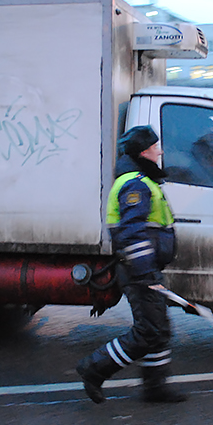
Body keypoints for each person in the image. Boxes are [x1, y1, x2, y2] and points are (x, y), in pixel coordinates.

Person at [75, 126, 188, 404]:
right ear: (143, 152)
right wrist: (146, 272)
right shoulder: (135, 184)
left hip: (145, 269)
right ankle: (94, 368)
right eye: (155, 148)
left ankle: (155, 387)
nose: (160, 151)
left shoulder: (143, 180)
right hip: (139, 270)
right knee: (149, 331)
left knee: (159, 328)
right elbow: (131, 232)